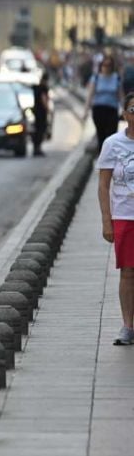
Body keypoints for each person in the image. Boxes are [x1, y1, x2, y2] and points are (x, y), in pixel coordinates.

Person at [97, 92, 134, 345]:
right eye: (133, 109)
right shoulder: (112, 144)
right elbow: (103, 185)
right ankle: (128, 326)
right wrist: (106, 221)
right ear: (124, 113)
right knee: (128, 273)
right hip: (124, 215)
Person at [84, 55, 124, 150]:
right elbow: (90, 95)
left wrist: (124, 109)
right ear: (101, 65)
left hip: (112, 110)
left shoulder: (116, 78)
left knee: (111, 136)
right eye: (104, 65)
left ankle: (109, 158)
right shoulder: (96, 78)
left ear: (112, 66)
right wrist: (85, 111)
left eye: (109, 65)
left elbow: (120, 96)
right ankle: (102, 159)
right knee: (101, 135)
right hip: (98, 109)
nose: (106, 67)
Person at [31, 72, 50, 156]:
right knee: (41, 130)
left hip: (36, 112)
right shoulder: (43, 88)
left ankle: (36, 148)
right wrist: (47, 109)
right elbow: (44, 99)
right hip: (41, 113)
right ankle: (37, 148)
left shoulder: (36, 87)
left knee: (37, 129)